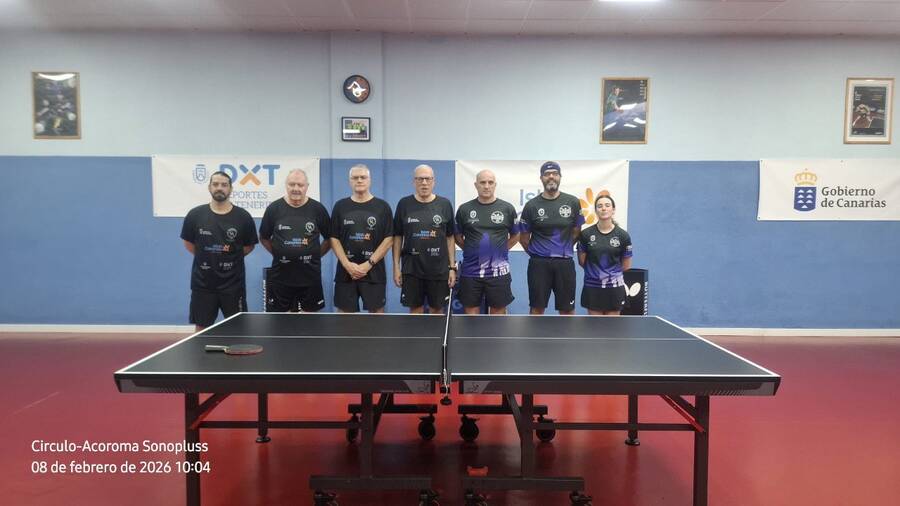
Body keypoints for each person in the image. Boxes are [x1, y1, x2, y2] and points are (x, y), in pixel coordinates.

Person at [180, 171, 258, 330]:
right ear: (209, 187)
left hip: (233, 285)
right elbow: (188, 243)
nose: (219, 188)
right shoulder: (195, 215)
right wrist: (206, 256)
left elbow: (249, 246)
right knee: (201, 328)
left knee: (238, 328)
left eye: (224, 185)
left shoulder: (243, 217)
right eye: (215, 184)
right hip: (203, 284)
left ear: (230, 189)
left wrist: (230, 256)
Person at [259, 169, 331, 312]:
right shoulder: (274, 209)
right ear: (286, 185)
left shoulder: (318, 209)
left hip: (310, 276)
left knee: (309, 319)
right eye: (292, 184)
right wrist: (279, 253)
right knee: (281, 321)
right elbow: (264, 237)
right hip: (281, 276)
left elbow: (330, 239)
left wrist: (315, 255)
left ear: (307, 186)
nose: (296, 188)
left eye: (300, 185)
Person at [519, 161, 584, 315]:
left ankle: (567, 335)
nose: (551, 177)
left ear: (560, 177)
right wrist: (539, 254)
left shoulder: (573, 202)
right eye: (547, 174)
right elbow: (524, 239)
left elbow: (576, 232)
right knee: (537, 308)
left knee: (567, 309)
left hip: (565, 264)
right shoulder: (531, 205)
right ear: (541, 178)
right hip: (539, 265)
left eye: (555, 173)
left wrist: (562, 249)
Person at [392, 165, 456, 314]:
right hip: (411, 269)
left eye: (428, 179)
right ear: (414, 182)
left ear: (434, 181)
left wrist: (452, 268)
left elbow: (450, 238)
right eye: (420, 179)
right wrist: (396, 267)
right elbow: (397, 237)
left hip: (439, 269)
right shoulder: (404, 204)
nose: (424, 183)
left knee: (437, 311)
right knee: (415, 311)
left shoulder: (445, 204)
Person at [330, 164, 393, 313]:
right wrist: (347, 264)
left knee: (376, 316)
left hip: (374, 272)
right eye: (355, 178)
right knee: (344, 317)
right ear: (349, 181)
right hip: (346, 273)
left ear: (369, 180)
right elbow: (334, 238)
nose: (359, 180)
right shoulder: (340, 206)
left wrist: (368, 264)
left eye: (363, 177)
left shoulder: (383, 207)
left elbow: (389, 239)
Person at [454, 170, 518, 314]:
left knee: (498, 315)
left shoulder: (507, 208)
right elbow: (457, 236)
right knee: (471, 316)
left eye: (490, 182)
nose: (486, 186)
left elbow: (516, 235)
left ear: (495, 185)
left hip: (498, 273)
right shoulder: (464, 209)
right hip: (470, 272)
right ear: (476, 185)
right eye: (482, 182)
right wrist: (470, 249)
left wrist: (500, 251)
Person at [578, 193, 632, 316]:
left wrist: (610, 275)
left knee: (612, 327)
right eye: (600, 206)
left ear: (613, 210)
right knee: (594, 326)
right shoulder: (586, 234)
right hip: (592, 287)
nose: (603, 208)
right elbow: (582, 262)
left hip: (615, 288)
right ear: (596, 211)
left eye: (607, 205)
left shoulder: (623, 236)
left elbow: (626, 265)